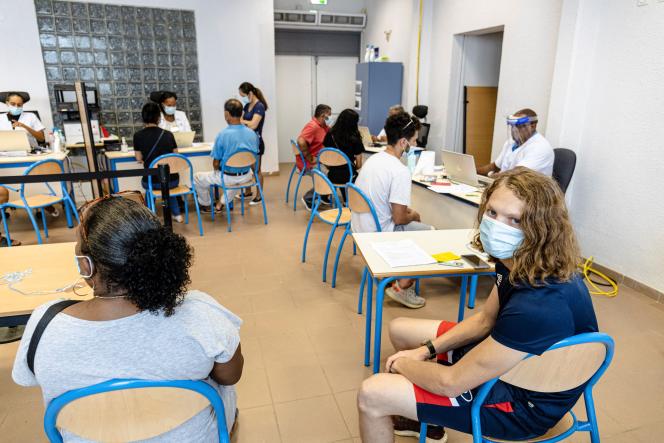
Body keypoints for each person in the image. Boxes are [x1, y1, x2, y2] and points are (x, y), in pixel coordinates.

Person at [357, 167, 598, 443]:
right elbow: (485, 319)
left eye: (515, 220)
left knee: (371, 394)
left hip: (524, 407)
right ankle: (429, 422)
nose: (497, 225)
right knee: (400, 329)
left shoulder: (538, 306)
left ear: (541, 228)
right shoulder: (518, 260)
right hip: (512, 359)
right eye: (493, 213)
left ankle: (413, 403)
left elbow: (450, 383)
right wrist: (426, 350)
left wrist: (403, 364)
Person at [12, 197, 244, 440]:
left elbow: (28, 377)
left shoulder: (45, 325)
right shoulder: (201, 313)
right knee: (222, 390)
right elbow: (231, 375)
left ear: (86, 266)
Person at [352, 112, 432, 309]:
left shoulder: (374, 160)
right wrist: (412, 215)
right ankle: (402, 287)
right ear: (403, 142)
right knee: (430, 232)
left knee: (413, 222)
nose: (414, 145)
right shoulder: (399, 171)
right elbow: (398, 218)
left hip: (358, 228)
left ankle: (398, 274)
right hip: (377, 234)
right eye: (413, 140)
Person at [194, 99, 259, 212]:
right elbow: (254, 159)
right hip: (247, 176)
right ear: (242, 113)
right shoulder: (252, 133)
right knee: (234, 178)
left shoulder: (223, 134)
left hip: (228, 177)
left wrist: (217, 170)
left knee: (197, 178)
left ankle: (207, 204)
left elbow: (215, 163)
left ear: (226, 114)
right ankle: (221, 203)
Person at [133, 102, 184, 223]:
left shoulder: (138, 136)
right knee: (165, 183)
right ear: (159, 117)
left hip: (152, 182)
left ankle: (149, 215)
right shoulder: (168, 134)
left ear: (143, 117)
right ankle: (177, 214)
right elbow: (176, 156)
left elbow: (138, 158)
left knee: (150, 185)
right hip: (172, 180)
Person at [476, 108, 554, 176]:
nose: (514, 130)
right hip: (507, 186)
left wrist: (491, 176)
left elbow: (516, 175)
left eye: (518, 126)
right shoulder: (510, 143)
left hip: (529, 190)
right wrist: (473, 172)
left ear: (533, 126)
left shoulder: (540, 147)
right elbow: (494, 167)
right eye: (512, 126)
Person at [322, 108, 364, 200]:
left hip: (332, 175)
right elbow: (359, 164)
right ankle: (348, 200)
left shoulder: (330, 134)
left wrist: (332, 166)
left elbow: (323, 156)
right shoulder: (355, 138)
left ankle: (326, 196)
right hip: (349, 176)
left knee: (341, 175)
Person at [297, 104, 332, 210]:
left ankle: (323, 196)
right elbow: (301, 141)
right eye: (329, 115)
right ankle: (308, 198)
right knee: (330, 176)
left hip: (319, 159)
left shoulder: (323, 126)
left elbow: (330, 132)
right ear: (323, 115)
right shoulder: (313, 126)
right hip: (308, 163)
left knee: (336, 171)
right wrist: (310, 158)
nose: (330, 117)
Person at [238, 82, 268, 206]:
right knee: (246, 167)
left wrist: (243, 121)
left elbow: (253, 125)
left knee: (256, 170)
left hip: (256, 142)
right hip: (246, 141)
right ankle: (248, 192)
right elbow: (242, 123)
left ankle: (259, 195)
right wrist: (245, 122)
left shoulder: (259, 106)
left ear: (250, 93)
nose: (242, 98)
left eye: (243, 95)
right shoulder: (246, 106)